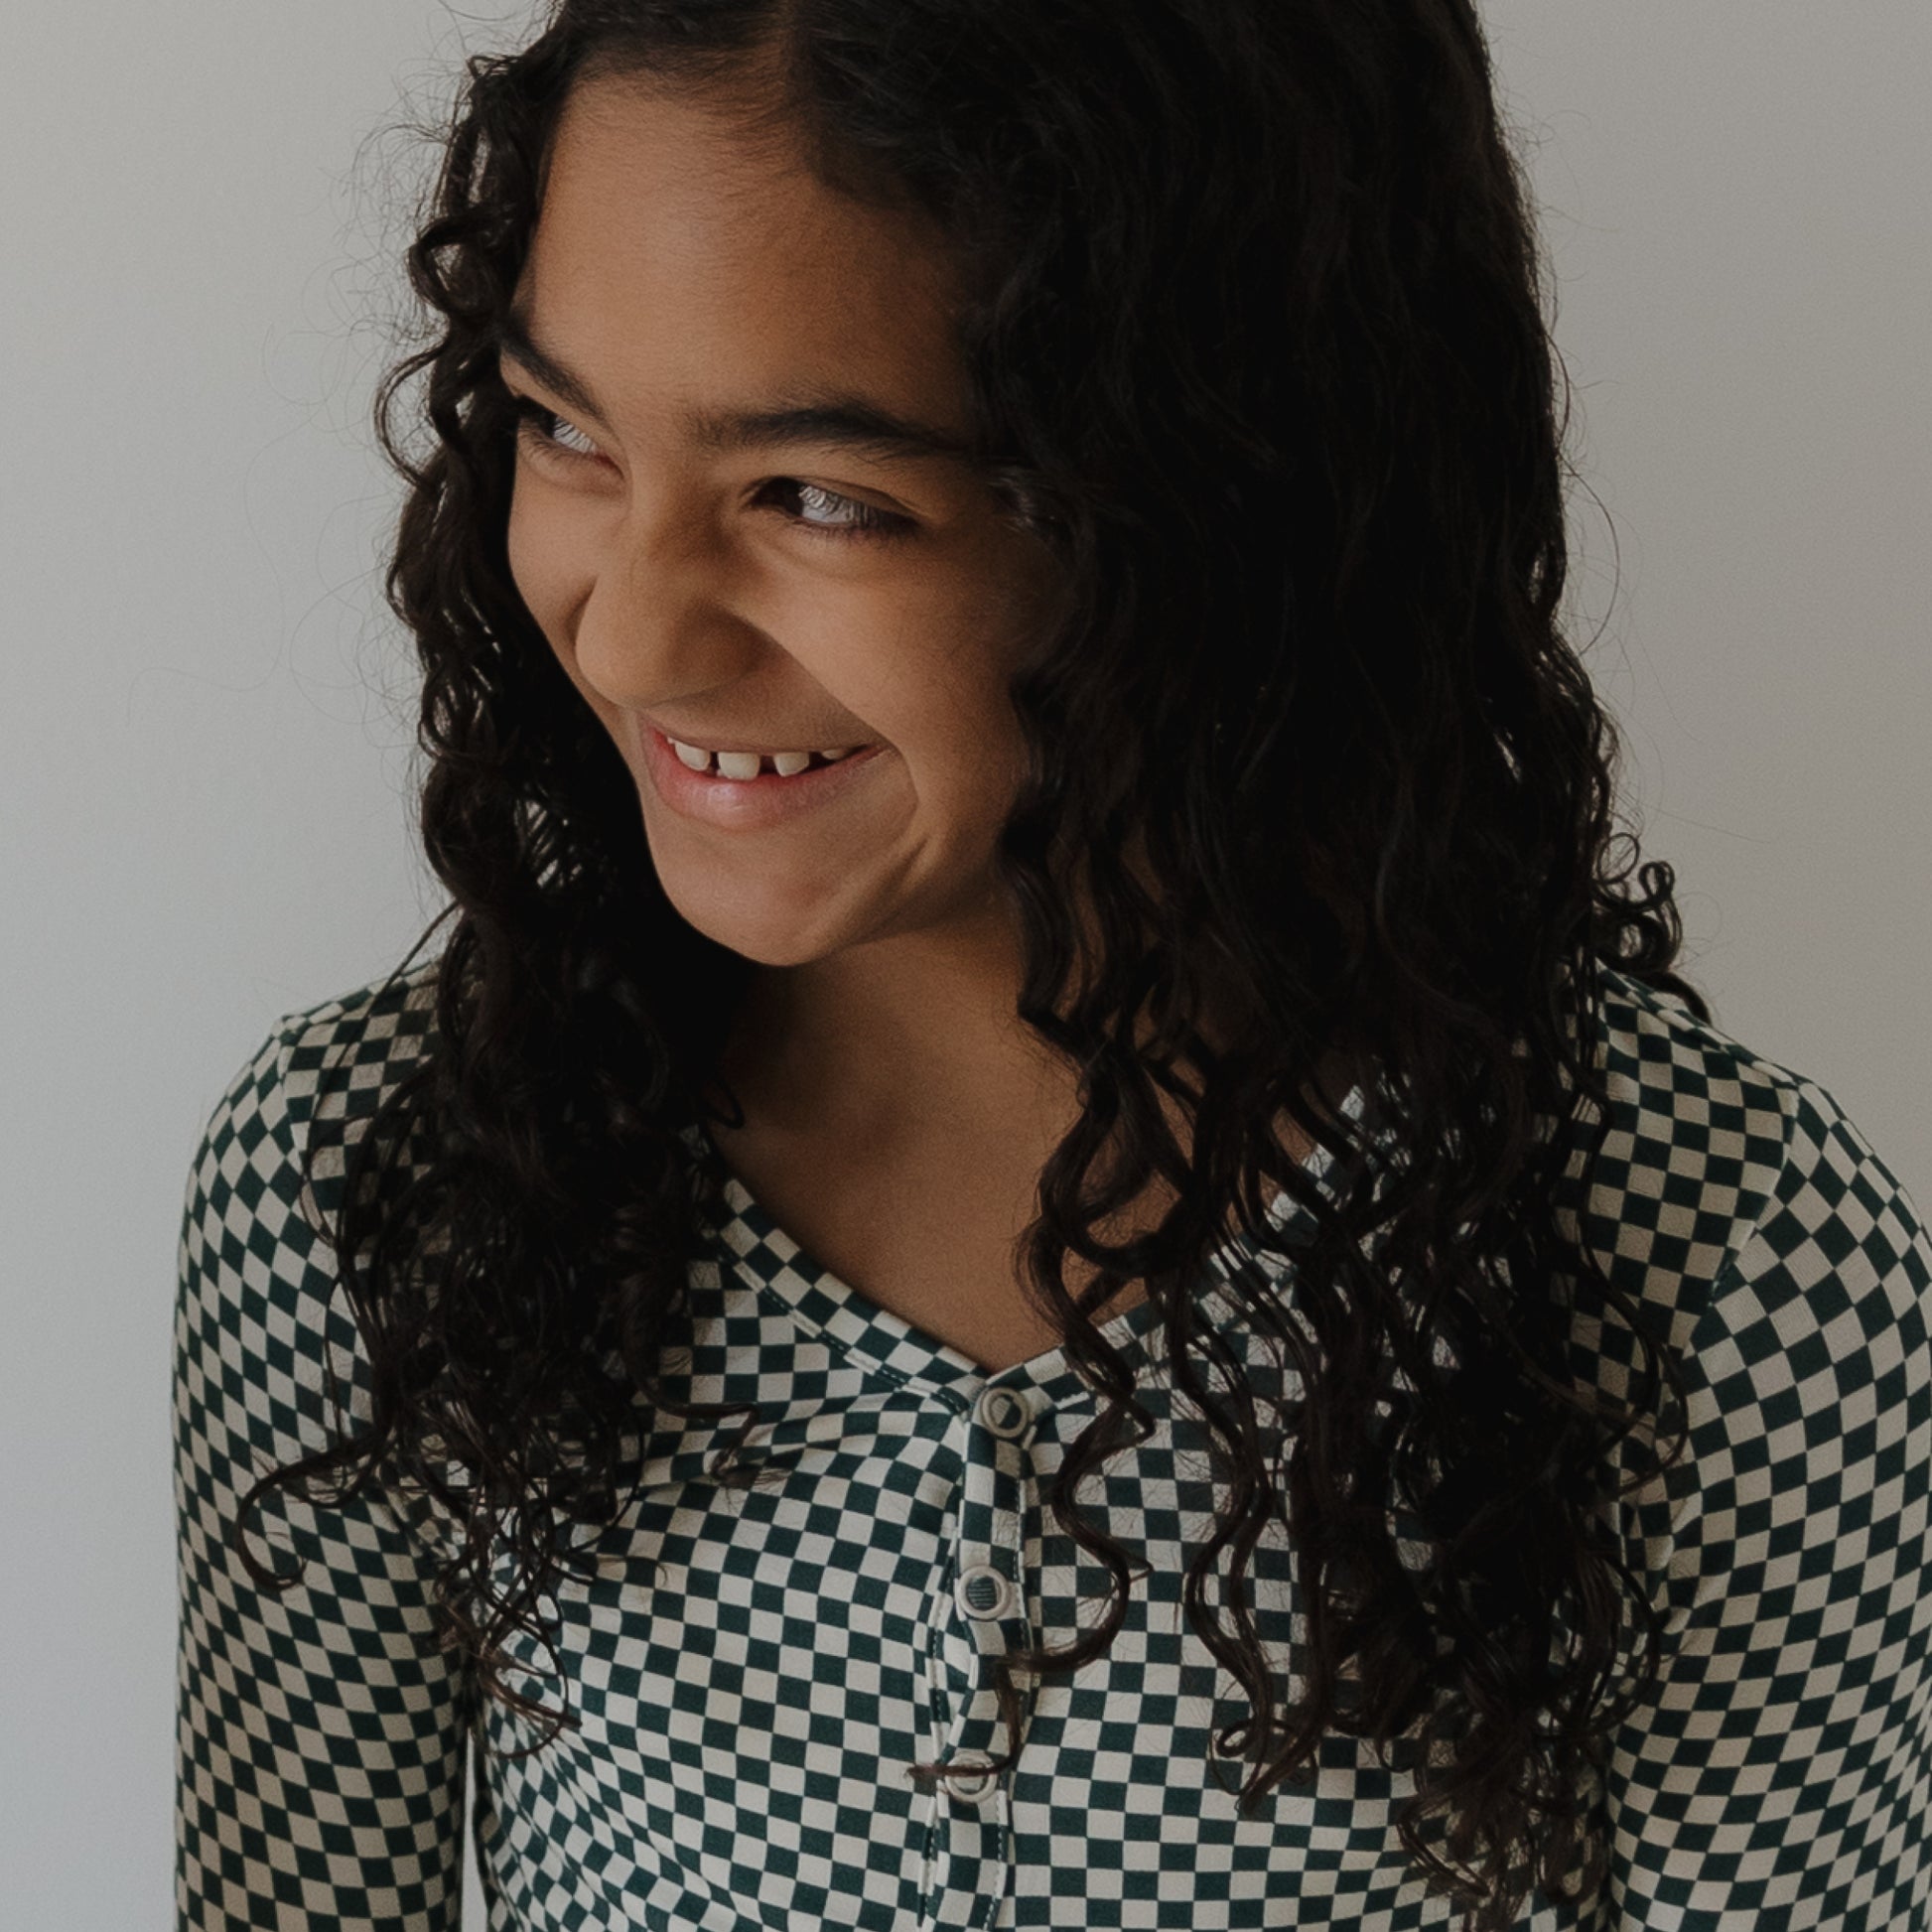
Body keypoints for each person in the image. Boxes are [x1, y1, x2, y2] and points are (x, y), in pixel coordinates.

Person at [171, 2, 1932, 1927]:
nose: (640, 636)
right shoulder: (383, 1184)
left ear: (1230, 502)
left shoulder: (1710, 1259)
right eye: (564, 430)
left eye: (822, 495)